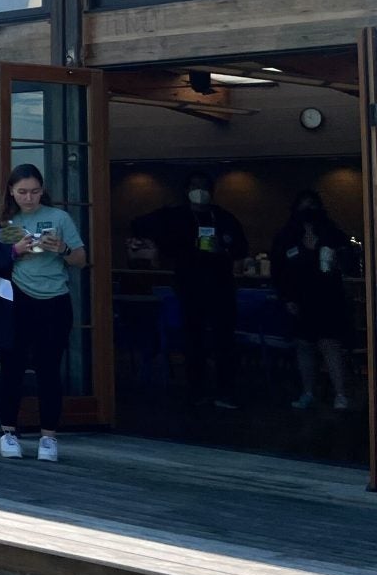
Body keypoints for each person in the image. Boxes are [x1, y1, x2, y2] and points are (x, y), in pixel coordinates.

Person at [0, 164, 86, 462]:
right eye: (23, 192)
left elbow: (81, 258)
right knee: (11, 368)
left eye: (35, 191)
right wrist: (14, 250)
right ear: (11, 191)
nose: (29, 198)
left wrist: (62, 248)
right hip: (16, 300)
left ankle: (49, 436)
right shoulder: (3, 219)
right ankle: (8, 432)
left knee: (49, 369)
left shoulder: (59, 217)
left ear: (43, 190)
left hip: (54, 300)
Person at [130, 171, 247, 408]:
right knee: (194, 340)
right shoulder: (176, 217)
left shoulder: (223, 218)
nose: (200, 191)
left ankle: (225, 390)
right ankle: (197, 390)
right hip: (190, 285)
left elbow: (241, 248)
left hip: (221, 285)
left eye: (204, 186)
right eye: (195, 186)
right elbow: (140, 225)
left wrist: (222, 251)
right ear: (186, 190)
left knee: (223, 339)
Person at [274, 191, 354, 411]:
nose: (308, 211)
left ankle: (340, 394)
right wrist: (286, 298)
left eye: (312, 206)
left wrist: (340, 258)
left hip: (328, 298)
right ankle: (308, 392)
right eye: (304, 206)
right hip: (300, 299)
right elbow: (279, 271)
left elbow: (349, 259)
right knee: (304, 346)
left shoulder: (331, 233)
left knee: (330, 345)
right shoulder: (287, 236)